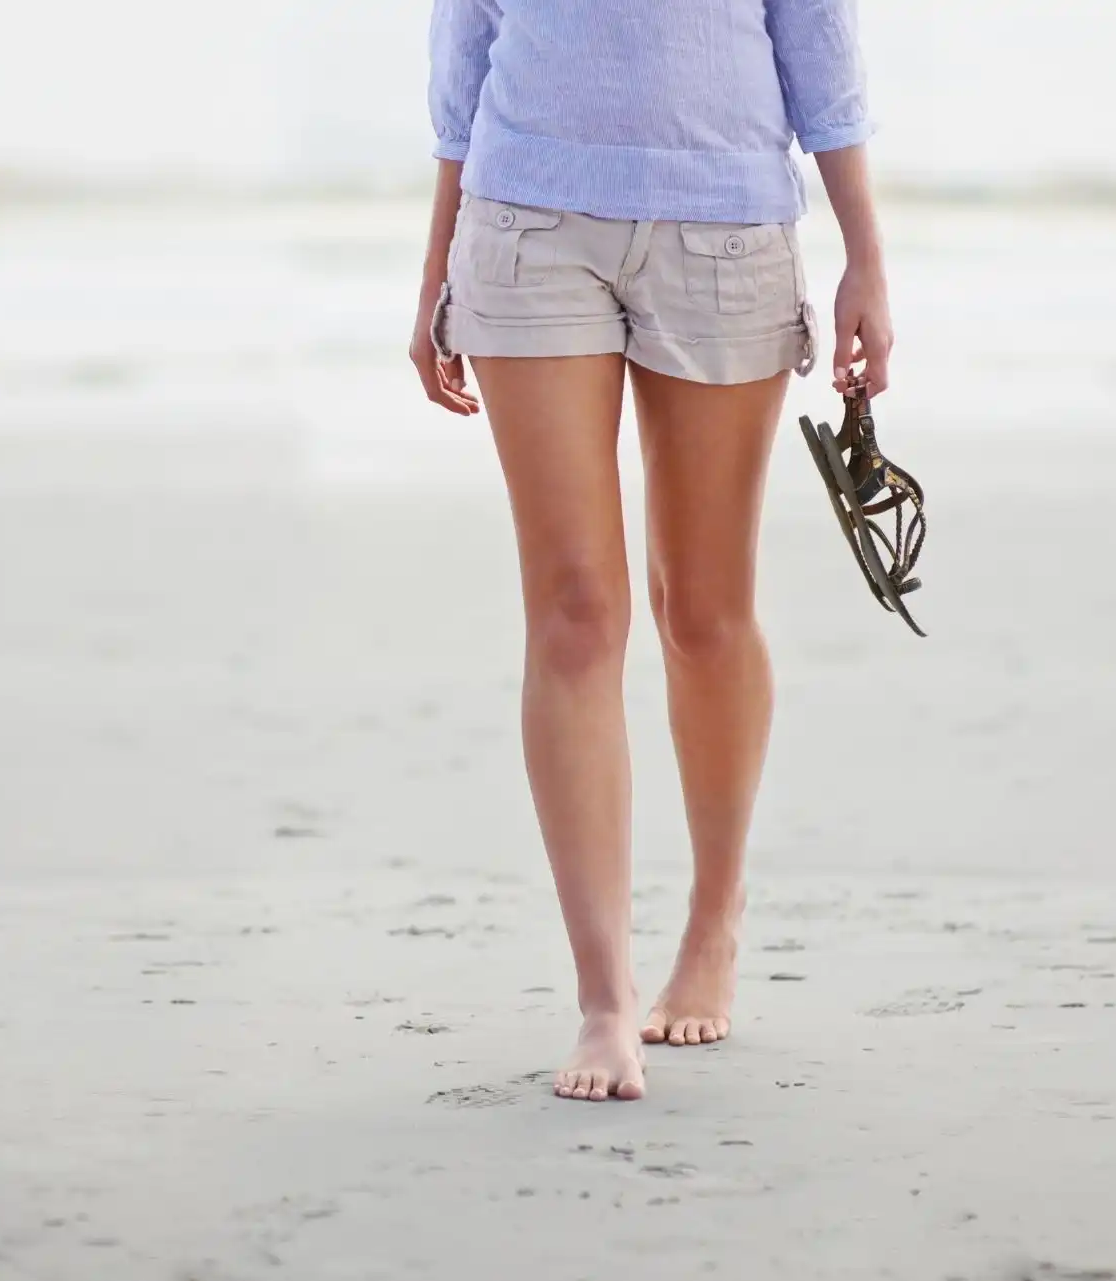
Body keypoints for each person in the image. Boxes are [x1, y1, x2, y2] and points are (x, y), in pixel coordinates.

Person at [412, 0, 893, 1102]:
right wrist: (435, 267)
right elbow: (463, 59)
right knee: (577, 614)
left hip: (725, 228)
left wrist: (866, 255)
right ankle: (603, 1001)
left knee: (704, 613)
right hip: (526, 227)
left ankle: (713, 923)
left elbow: (818, 43)